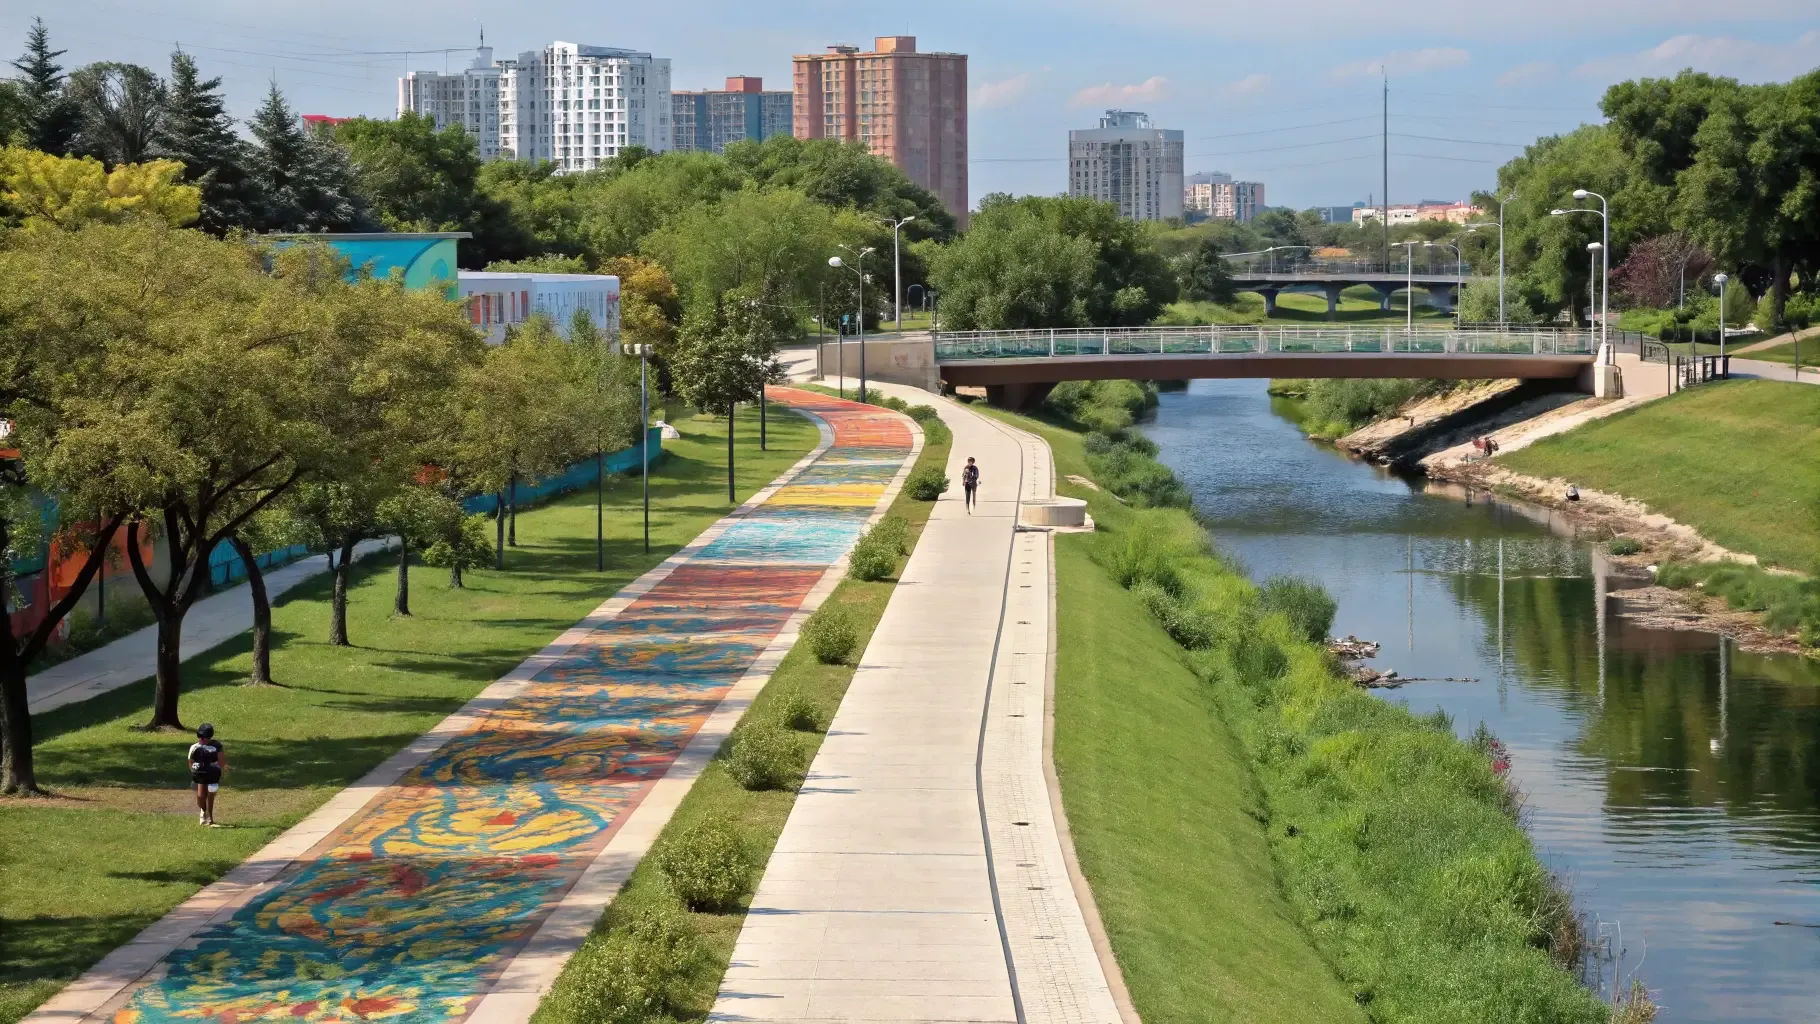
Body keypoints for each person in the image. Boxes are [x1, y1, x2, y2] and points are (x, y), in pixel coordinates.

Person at [188, 723, 226, 826]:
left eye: (204, 737)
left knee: (211, 792)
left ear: (209, 737)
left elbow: (221, 761)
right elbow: (191, 762)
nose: (201, 739)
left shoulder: (217, 746)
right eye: (199, 736)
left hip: (213, 773)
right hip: (201, 773)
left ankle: (210, 819)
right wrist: (195, 772)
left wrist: (218, 770)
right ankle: (203, 811)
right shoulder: (195, 747)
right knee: (201, 796)